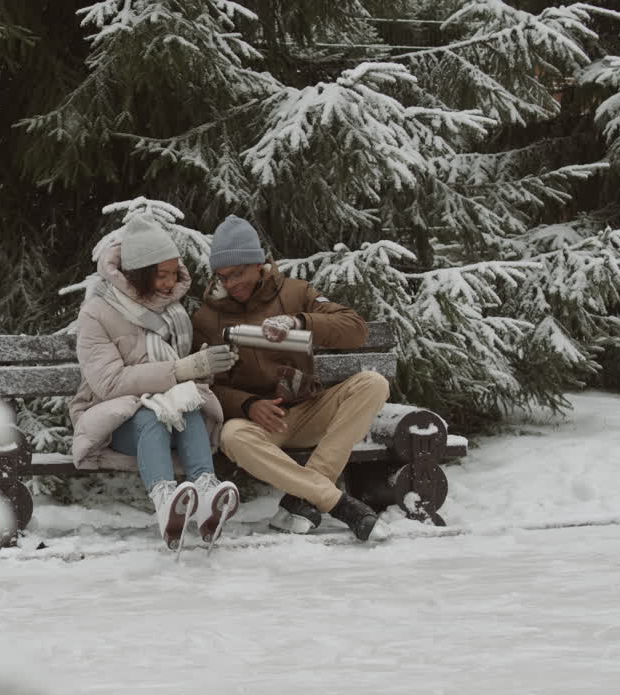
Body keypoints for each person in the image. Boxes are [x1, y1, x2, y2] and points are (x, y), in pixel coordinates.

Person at [191, 215, 392, 542]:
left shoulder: (297, 292)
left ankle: (304, 498)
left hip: (308, 410)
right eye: (222, 276)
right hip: (259, 426)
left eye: (238, 273)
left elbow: (356, 329)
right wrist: (248, 403)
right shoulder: (207, 317)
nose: (230, 284)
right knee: (230, 436)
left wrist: (300, 322)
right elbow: (205, 385)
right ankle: (334, 502)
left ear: (258, 264)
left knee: (373, 384)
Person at [70, 215, 241, 550]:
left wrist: (203, 368)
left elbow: (179, 373)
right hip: (115, 418)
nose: (168, 283)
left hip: (172, 412)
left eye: (173, 273)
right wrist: (182, 369)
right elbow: (109, 383)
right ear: (139, 274)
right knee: (152, 415)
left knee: (188, 405)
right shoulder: (96, 312)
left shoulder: (172, 311)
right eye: (161, 275)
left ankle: (206, 493)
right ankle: (166, 502)